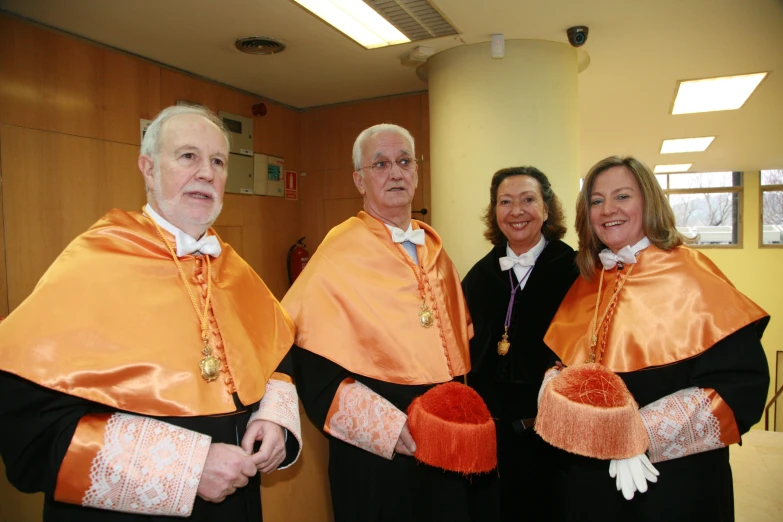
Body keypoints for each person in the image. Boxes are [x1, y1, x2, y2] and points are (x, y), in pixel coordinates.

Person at [0, 105, 302, 521]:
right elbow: (32, 430)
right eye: (187, 156)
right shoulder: (94, 263)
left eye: (217, 161)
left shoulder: (234, 270)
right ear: (148, 167)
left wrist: (274, 418)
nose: (206, 172)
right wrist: (186, 468)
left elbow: (276, 356)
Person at [542, 156, 770, 522]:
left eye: (622, 196)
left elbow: (741, 386)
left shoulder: (692, 274)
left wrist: (641, 433)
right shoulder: (589, 279)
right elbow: (567, 360)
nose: (608, 210)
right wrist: (555, 383)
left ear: (648, 202)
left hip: (673, 485)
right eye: (596, 200)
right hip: (591, 482)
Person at [282, 124, 486, 522]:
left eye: (404, 161)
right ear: (360, 179)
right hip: (377, 454)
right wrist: (387, 430)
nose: (395, 172)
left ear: (416, 171)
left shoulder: (436, 251)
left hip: (444, 443)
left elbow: (459, 353)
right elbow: (308, 360)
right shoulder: (338, 252)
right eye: (381, 164)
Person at [462, 166, 578, 521]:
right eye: (505, 202)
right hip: (493, 428)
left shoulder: (574, 269)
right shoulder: (480, 275)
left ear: (546, 208)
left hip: (553, 429)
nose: (516, 211)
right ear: (494, 212)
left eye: (528, 200)